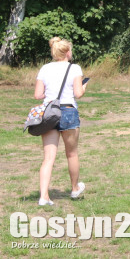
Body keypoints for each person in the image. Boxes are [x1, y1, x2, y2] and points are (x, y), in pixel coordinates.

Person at [35, 37, 88, 206]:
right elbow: (78, 93)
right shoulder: (75, 68)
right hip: (68, 111)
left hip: (49, 112)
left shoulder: (45, 68)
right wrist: (84, 87)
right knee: (71, 153)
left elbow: (38, 95)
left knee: (48, 158)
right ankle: (74, 188)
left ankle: (44, 196)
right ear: (67, 52)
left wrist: (49, 95)